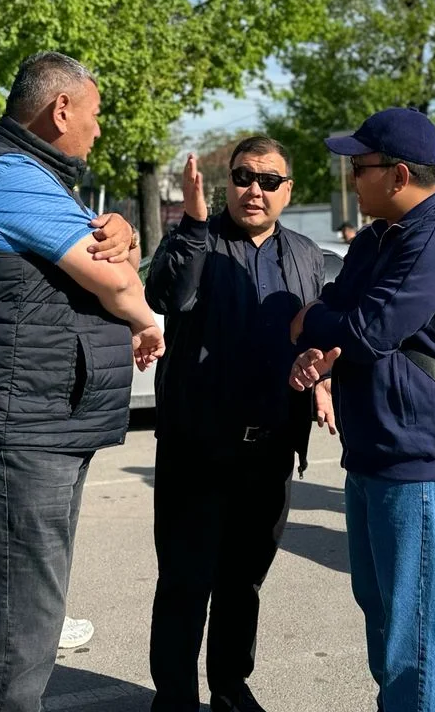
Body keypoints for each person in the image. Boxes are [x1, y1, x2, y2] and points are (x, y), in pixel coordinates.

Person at [0, 51, 164, 712]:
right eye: (94, 113)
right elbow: (117, 284)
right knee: (19, 633)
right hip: (19, 427)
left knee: (28, 611)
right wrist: (147, 318)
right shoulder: (10, 177)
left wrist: (124, 237)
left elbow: (110, 259)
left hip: (37, 420)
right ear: (61, 109)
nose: (98, 128)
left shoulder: (36, 177)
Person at [288, 107, 435, 712]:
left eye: (360, 167)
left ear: (399, 174)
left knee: (411, 632)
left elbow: (368, 331)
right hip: (374, 449)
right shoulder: (382, 236)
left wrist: (313, 324)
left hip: (417, 461)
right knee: (379, 609)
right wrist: (322, 331)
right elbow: (339, 307)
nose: (351, 178)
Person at [145, 137, 327, 712]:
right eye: (245, 177)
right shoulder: (195, 238)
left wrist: (322, 377)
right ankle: (174, 699)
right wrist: (193, 224)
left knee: (243, 581)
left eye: (269, 181)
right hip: (197, 449)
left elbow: (318, 332)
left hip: (271, 450)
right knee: (185, 582)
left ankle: (229, 687)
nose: (255, 190)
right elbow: (166, 295)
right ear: (228, 181)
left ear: (287, 191)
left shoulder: (306, 255)